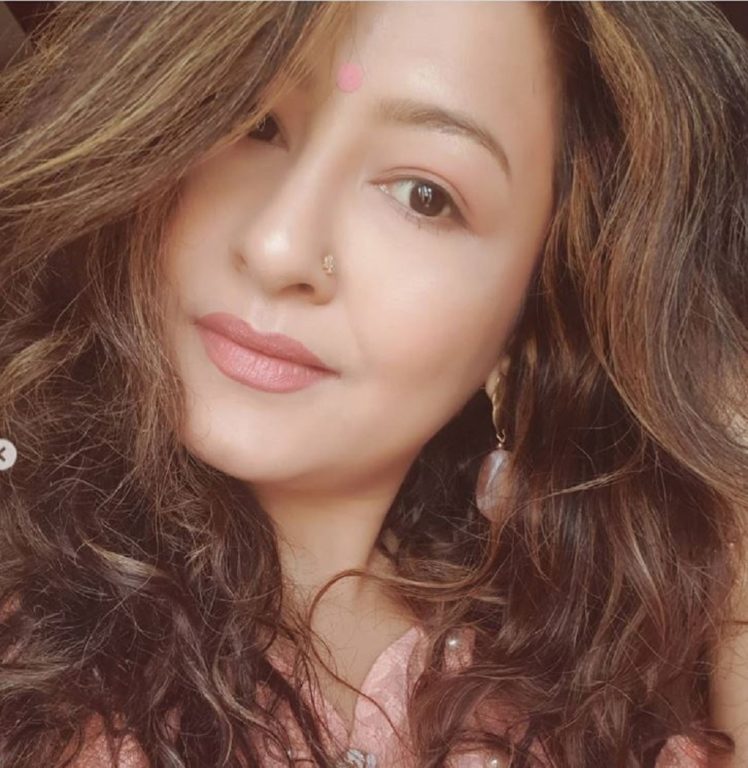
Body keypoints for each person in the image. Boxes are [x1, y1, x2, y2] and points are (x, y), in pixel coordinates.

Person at [0, 2, 746, 766]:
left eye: (424, 194)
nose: (278, 245)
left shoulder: (580, 699)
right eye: (254, 121)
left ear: (541, 299)